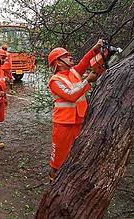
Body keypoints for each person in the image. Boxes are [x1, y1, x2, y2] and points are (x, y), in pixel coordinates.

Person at [47, 39, 105, 182]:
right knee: (58, 159)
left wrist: (96, 48)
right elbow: (71, 95)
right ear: (58, 62)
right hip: (64, 124)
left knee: (77, 155)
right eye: (65, 56)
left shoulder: (73, 72)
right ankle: (53, 185)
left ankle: (68, 183)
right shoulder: (55, 80)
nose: (70, 57)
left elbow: (85, 61)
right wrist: (87, 81)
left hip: (79, 120)